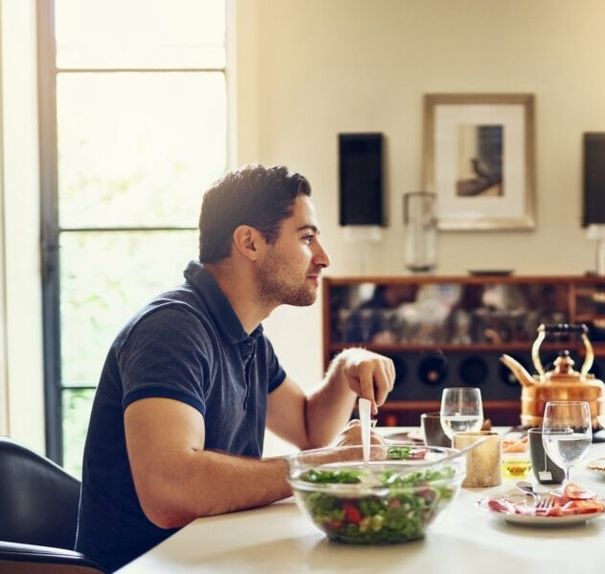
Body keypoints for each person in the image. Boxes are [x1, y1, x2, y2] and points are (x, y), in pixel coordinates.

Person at [75, 165, 394, 571]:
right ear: (249, 242)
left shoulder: (247, 337)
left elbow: (310, 428)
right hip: (151, 566)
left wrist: (348, 365)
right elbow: (169, 491)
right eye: (307, 238)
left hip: (211, 557)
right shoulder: (171, 329)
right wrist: (327, 465)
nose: (323, 257)